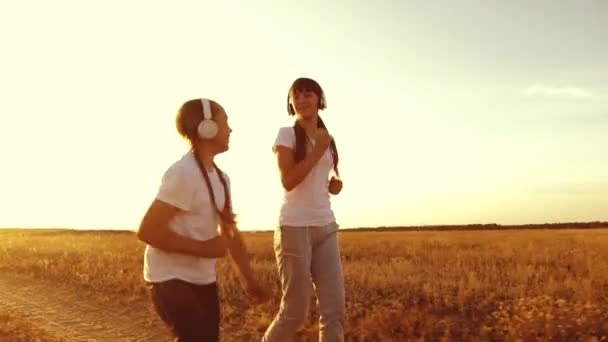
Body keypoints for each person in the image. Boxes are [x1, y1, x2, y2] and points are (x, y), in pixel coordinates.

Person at [137, 98, 269, 342]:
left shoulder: (221, 179)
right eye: (225, 121)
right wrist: (203, 248)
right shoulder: (182, 173)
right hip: (168, 277)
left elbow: (230, 234)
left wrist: (249, 280)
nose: (230, 129)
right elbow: (148, 231)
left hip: (202, 278)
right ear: (206, 126)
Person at [263, 78, 345, 342]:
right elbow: (288, 181)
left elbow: (320, 178)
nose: (302, 100)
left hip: (325, 225)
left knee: (334, 311)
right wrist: (317, 151)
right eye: (296, 96)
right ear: (290, 102)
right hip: (294, 228)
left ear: (319, 99)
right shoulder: (286, 135)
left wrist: (333, 185)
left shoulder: (327, 138)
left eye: (308, 94)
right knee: (295, 312)